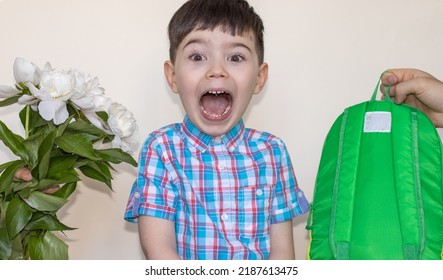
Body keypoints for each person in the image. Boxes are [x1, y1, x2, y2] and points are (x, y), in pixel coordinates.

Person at [123, 0, 309, 260]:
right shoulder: (162, 148)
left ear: (260, 78)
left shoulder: (272, 151)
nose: (217, 71)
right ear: (173, 76)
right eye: (197, 56)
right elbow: (158, 249)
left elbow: (282, 255)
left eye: (235, 57)